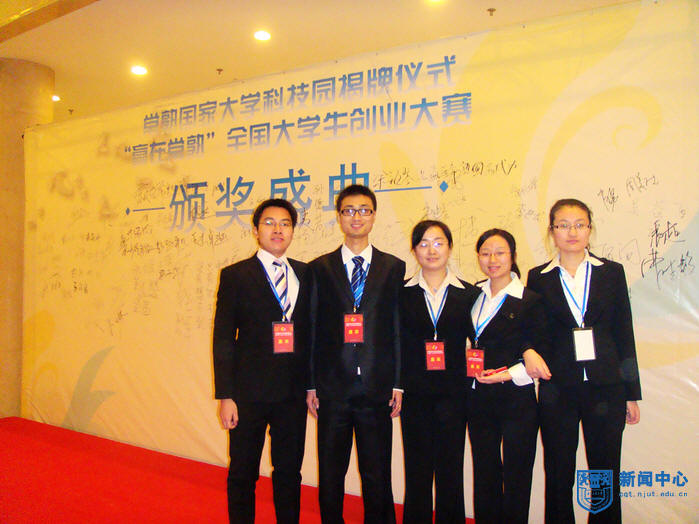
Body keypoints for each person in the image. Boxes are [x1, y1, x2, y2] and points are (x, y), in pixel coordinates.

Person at [527, 198, 641, 524]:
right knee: (558, 470)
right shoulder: (539, 278)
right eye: (563, 225)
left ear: (590, 229)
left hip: (607, 387)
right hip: (558, 389)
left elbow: (624, 332)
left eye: (579, 224)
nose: (572, 232)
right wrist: (528, 351)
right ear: (552, 231)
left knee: (605, 471)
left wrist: (631, 392)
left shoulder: (611, 272)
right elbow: (534, 332)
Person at [306, 184, 405, 523]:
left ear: (374, 216)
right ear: (339, 217)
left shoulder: (393, 267)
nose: (356, 217)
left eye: (364, 210)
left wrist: (398, 383)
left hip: (377, 389)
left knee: (377, 474)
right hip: (333, 389)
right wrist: (311, 384)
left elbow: (396, 328)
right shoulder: (320, 268)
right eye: (349, 210)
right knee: (331, 473)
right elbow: (313, 329)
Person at [213, 199, 312, 524]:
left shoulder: (306, 274)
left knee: (289, 472)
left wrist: (312, 386)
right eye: (269, 223)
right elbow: (223, 338)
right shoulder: (235, 275)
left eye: (285, 223)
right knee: (243, 472)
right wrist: (226, 395)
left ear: (292, 231)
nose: (277, 229)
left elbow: (312, 335)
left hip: (292, 395)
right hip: (247, 394)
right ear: (256, 230)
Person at [466, 228, 551, 524]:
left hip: (517, 399)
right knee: (485, 472)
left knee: (517, 474)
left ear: (513, 256)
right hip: (478, 398)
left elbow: (539, 351)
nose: (492, 260)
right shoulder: (473, 295)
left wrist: (503, 375)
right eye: (485, 253)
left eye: (500, 253)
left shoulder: (530, 299)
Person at [399, 220, 479, 523]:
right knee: (416, 469)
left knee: (451, 469)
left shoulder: (469, 294)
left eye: (438, 243)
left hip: (454, 394)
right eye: (423, 243)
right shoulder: (401, 293)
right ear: (414, 250)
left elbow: (480, 342)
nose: (431, 250)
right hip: (415, 394)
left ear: (449, 247)